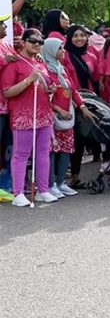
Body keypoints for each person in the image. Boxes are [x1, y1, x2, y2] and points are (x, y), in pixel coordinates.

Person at [2, 30, 58, 206]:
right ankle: (18, 192)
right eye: (33, 41)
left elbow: (45, 85)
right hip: (23, 116)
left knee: (43, 153)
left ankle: (43, 190)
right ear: (23, 42)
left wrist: (50, 89)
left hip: (43, 114)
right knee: (21, 154)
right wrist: (28, 80)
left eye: (40, 42)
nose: (37, 44)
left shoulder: (40, 63)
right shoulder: (14, 64)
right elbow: (7, 92)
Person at [42, 36, 95, 199]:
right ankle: (50, 184)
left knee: (66, 150)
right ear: (50, 50)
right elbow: (44, 96)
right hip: (53, 118)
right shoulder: (45, 71)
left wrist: (82, 107)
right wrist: (58, 109)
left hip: (67, 118)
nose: (63, 51)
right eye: (60, 48)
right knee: (52, 152)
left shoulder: (62, 69)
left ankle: (61, 183)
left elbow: (73, 91)